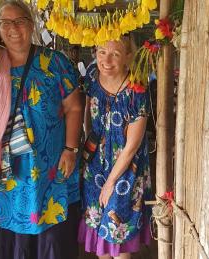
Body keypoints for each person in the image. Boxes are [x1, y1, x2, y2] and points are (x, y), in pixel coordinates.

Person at [0, 1, 83, 258]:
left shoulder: (55, 62)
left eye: (20, 21)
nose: (13, 28)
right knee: (12, 226)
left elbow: (74, 107)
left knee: (51, 224)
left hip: (51, 166)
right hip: (8, 171)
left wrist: (70, 148)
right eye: (6, 23)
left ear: (31, 25)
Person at [78, 36, 153, 259]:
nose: (106, 60)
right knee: (99, 220)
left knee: (117, 228)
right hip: (95, 161)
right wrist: (87, 141)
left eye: (115, 54)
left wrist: (111, 182)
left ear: (128, 57)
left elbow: (132, 145)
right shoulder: (92, 76)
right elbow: (87, 113)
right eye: (102, 52)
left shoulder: (137, 89)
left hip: (126, 166)